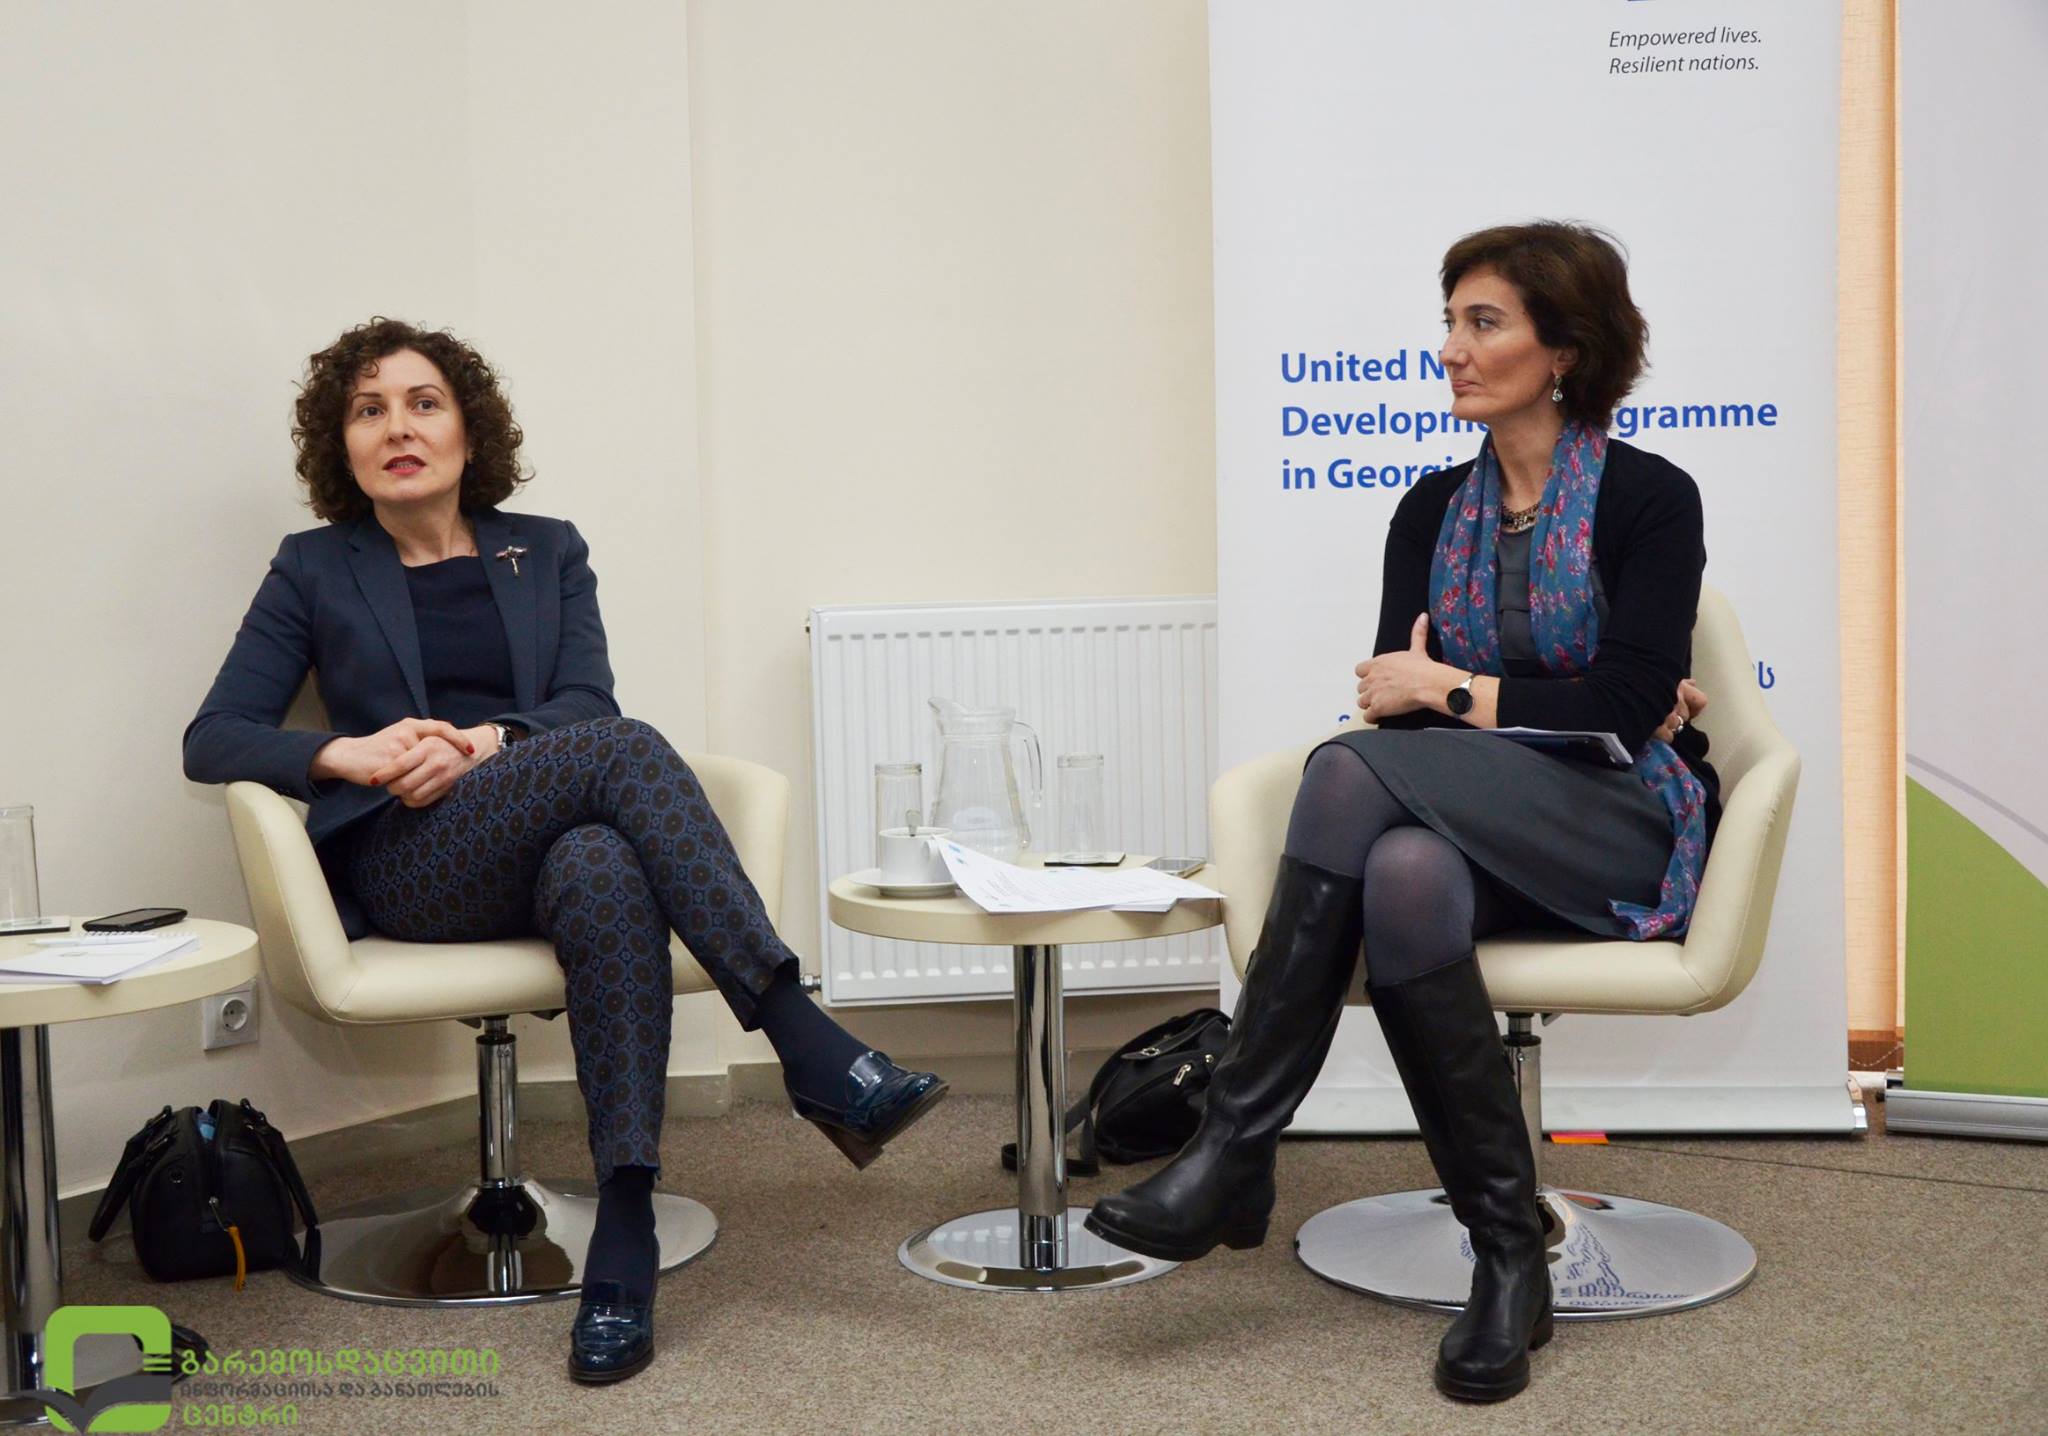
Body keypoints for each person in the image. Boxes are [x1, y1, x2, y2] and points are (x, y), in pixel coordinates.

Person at [183, 318, 948, 1385]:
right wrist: (350, 752)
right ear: (339, 444)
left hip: (538, 846)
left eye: (423, 403)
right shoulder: (314, 568)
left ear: (468, 429)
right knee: (626, 751)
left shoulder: (545, 550)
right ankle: (804, 1039)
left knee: (602, 863)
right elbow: (213, 737)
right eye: (368, 410)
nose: (398, 427)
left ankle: (622, 1237)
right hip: (410, 860)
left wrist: (489, 741)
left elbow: (585, 698)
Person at [1086, 222, 1721, 1403]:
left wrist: (1450, 687)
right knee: (1402, 874)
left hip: (1614, 819)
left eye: (1483, 323)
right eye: (1449, 322)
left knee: (1343, 770)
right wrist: (1454, 698)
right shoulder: (1429, 510)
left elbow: (1622, 705)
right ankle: (1505, 1255)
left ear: (1563, 350)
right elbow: (1397, 712)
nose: (1450, 349)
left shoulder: (1649, 497)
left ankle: (1233, 1145)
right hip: (1475, 822)